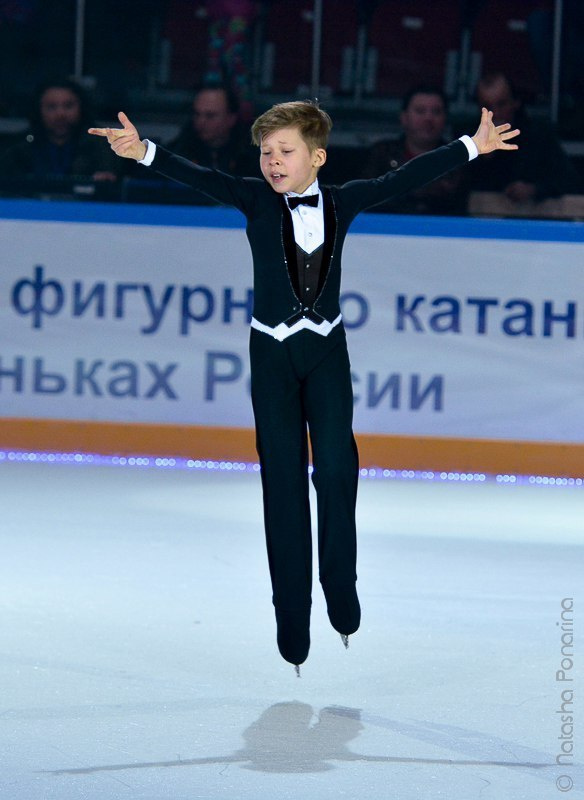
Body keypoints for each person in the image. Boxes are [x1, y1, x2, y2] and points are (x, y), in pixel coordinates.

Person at [89, 102, 519, 671]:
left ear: (316, 157)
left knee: (337, 468)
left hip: (326, 351)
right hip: (270, 353)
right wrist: (142, 151)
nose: (272, 161)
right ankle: (292, 619)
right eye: (266, 152)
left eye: (285, 151)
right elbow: (200, 176)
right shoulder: (252, 199)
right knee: (283, 485)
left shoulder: (342, 201)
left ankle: (341, 592)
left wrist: (470, 145)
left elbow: (404, 177)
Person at [361, 85, 470, 215]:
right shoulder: (381, 154)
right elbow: (366, 197)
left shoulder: (458, 159)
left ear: (445, 118)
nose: (428, 118)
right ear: (404, 117)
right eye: (420, 111)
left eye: (436, 112)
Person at [467, 72, 575, 203]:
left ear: (515, 102)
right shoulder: (469, 139)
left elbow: (569, 181)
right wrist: (485, 158)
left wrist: (534, 190)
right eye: (487, 107)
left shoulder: (539, 136)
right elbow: (460, 189)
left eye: (501, 104)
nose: (495, 113)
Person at [0, 78, 119, 185]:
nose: (60, 114)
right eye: (51, 107)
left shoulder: (103, 147)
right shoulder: (18, 149)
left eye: (68, 106)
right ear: (38, 110)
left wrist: (105, 182)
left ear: (81, 108)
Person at [166, 83, 257, 176]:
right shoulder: (177, 153)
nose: (201, 122)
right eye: (197, 114)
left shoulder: (253, 158)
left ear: (231, 118)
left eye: (210, 116)